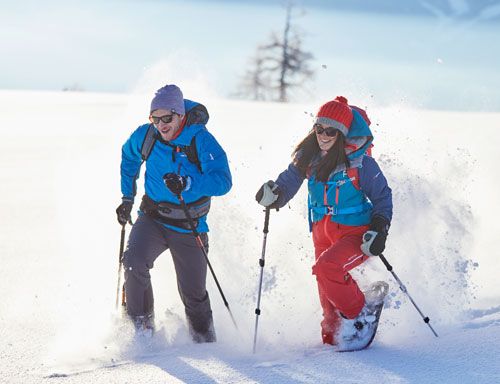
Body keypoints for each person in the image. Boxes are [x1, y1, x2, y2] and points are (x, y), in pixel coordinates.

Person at [255, 96, 392, 347]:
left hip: (355, 232)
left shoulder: (361, 162)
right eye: (319, 129)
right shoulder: (309, 158)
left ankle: (361, 312)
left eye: (331, 131)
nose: (323, 135)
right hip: (321, 231)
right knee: (329, 316)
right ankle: (334, 341)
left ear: (341, 134)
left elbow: (382, 196)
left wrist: (379, 228)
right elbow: (288, 181)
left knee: (326, 268)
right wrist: (274, 195)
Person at [116, 84, 232, 342]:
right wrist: (127, 197)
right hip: (153, 218)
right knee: (134, 262)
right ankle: (141, 331)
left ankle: (205, 342)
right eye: (154, 119)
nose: (161, 124)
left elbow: (223, 181)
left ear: (180, 115)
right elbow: (129, 157)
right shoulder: (146, 136)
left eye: (166, 118)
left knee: (193, 292)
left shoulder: (200, 139)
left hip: (189, 225)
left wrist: (188, 183)